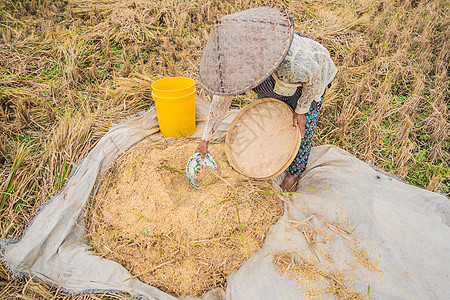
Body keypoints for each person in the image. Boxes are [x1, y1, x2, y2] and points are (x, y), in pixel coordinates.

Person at [195, 7, 337, 192]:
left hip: (310, 79)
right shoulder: (234, 66)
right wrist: (205, 139)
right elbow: (221, 100)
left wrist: (301, 110)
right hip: (278, 84)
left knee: (302, 128)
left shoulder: (289, 61)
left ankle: (294, 172)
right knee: (269, 117)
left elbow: (314, 75)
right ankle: (274, 150)